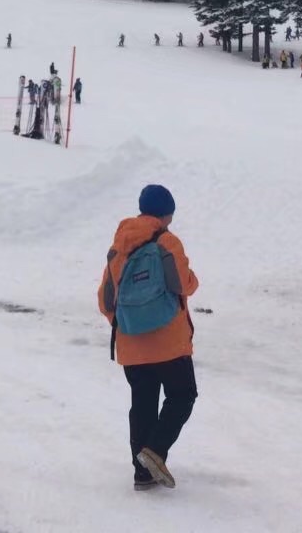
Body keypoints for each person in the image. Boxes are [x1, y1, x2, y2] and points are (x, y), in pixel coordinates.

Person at [97, 185, 199, 492]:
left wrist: (129, 323)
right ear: (167, 213)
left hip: (131, 344)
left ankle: (142, 474)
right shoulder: (168, 242)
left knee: (142, 403)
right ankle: (154, 453)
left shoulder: (119, 246)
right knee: (182, 396)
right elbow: (185, 284)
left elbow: (105, 299)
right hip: (169, 343)